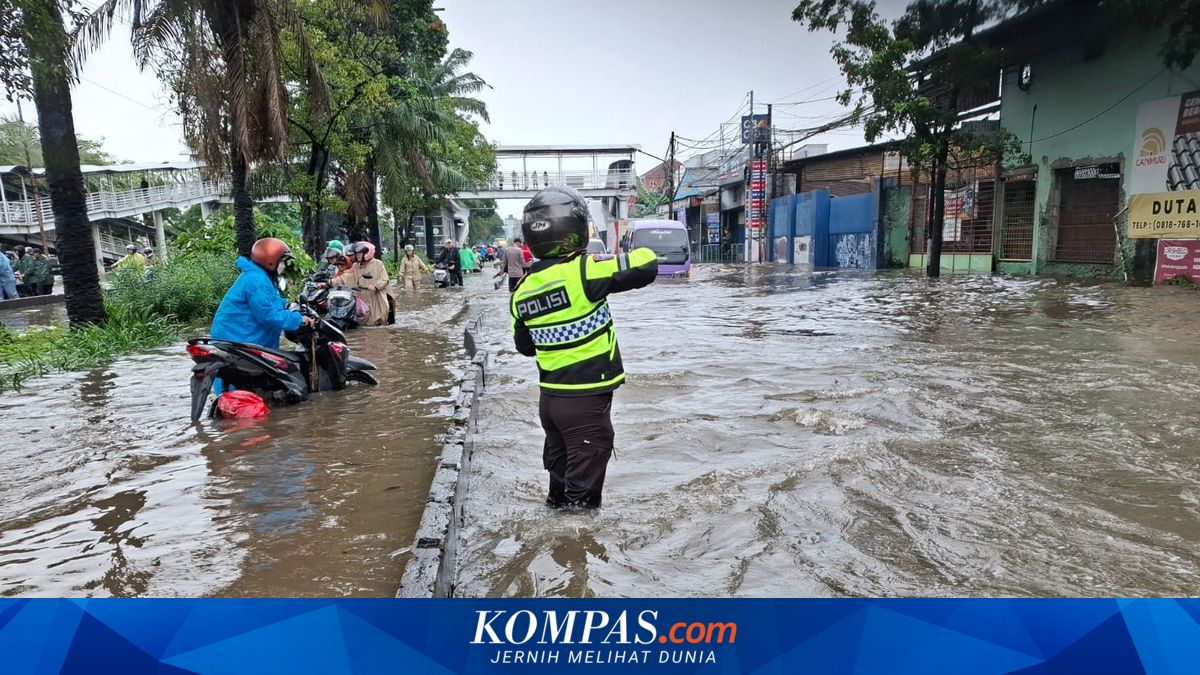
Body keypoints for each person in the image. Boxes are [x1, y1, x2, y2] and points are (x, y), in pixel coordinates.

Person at [510, 186, 658, 509]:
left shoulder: (521, 292)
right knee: (581, 509)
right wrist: (603, 258)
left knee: (559, 491)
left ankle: (554, 550)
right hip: (585, 404)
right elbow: (646, 264)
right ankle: (574, 552)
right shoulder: (584, 270)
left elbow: (525, 346)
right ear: (576, 231)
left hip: (550, 403)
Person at [210, 237, 310, 350]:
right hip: (240, 341)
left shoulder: (258, 276)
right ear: (271, 260)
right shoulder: (257, 281)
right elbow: (269, 316)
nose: (284, 265)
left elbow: (268, 301)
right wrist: (299, 319)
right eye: (282, 261)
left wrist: (287, 305)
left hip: (239, 338)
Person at [335, 241, 393, 326]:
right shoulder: (356, 266)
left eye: (360, 254)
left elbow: (384, 279)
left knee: (379, 324)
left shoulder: (378, 264)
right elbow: (345, 277)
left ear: (367, 253)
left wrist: (375, 286)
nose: (358, 256)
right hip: (363, 300)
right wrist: (330, 282)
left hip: (377, 298)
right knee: (363, 324)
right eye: (357, 254)